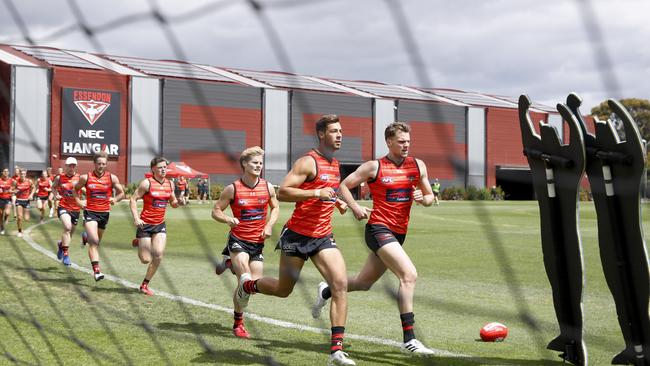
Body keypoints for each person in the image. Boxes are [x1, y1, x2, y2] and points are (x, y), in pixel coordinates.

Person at [236, 115, 354, 366]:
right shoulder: (308, 162)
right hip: (297, 237)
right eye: (334, 131)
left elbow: (327, 191)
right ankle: (247, 286)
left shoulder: (335, 163)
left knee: (340, 284)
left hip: (322, 236)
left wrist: (338, 201)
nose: (340, 135)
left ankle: (336, 350)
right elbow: (284, 192)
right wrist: (315, 192)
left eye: (341, 131)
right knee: (283, 290)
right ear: (321, 134)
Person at [311, 121, 437, 356]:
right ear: (389, 142)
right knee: (408, 275)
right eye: (401, 141)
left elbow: (430, 196)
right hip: (378, 229)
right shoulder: (374, 167)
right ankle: (409, 338)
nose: (406, 145)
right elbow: (343, 186)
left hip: (398, 234)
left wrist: (423, 197)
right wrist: (355, 207)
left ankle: (326, 290)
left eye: (408, 141)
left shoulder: (417, 166)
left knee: (363, 283)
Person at [211, 146, 280, 338]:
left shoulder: (267, 187)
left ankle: (228, 264)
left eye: (260, 163)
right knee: (245, 280)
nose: (259, 166)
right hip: (238, 240)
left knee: (252, 288)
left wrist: (269, 226)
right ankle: (238, 323)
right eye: (254, 162)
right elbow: (215, 210)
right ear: (244, 164)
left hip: (257, 243)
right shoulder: (233, 188)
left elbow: (275, 208)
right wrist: (227, 219)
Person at [129, 157, 181, 296]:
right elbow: (133, 199)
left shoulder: (170, 184)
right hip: (145, 225)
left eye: (165, 167)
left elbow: (173, 202)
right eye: (160, 167)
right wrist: (136, 218)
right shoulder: (147, 184)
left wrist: (178, 202)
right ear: (153, 169)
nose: (163, 169)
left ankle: (144, 284)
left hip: (159, 225)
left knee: (158, 255)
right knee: (145, 259)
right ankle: (140, 241)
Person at [74, 150, 125, 281]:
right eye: (99, 163)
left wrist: (116, 199)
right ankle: (97, 271)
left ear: (106, 164)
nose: (101, 166)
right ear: (94, 164)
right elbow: (75, 189)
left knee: (97, 243)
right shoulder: (86, 177)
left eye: (103, 164)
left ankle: (86, 236)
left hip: (104, 213)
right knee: (94, 241)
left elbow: (121, 193)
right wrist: (79, 201)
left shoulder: (112, 178)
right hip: (90, 212)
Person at [52, 157, 81, 266]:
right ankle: (66, 255)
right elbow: (53, 187)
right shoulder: (60, 178)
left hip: (76, 209)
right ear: (66, 166)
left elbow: (85, 190)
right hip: (63, 206)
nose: (71, 167)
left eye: (73, 165)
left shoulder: (80, 178)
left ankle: (61, 245)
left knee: (70, 234)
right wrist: (56, 195)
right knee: (67, 227)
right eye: (69, 165)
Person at [14, 169, 35, 237]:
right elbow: (12, 189)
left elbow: (34, 188)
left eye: (24, 174)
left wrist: (31, 195)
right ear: (19, 174)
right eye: (21, 174)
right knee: (20, 217)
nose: (22, 175)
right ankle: (19, 231)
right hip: (19, 200)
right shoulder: (16, 181)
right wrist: (14, 191)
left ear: (25, 174)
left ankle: (24, 219)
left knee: (26, 219)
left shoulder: (29, 181)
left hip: (26, 201)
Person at [0, 168, 14, 235]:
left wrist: (12, 191)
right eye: (4, 171)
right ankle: (2, 228)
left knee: (7, 213)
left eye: (7, 171)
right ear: (2, 172)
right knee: (0, 214)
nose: (6, 172)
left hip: (8, 198)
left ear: (8, 173)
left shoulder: (11, 180)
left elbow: (15, 186)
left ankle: (6, 218)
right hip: (0, 199)